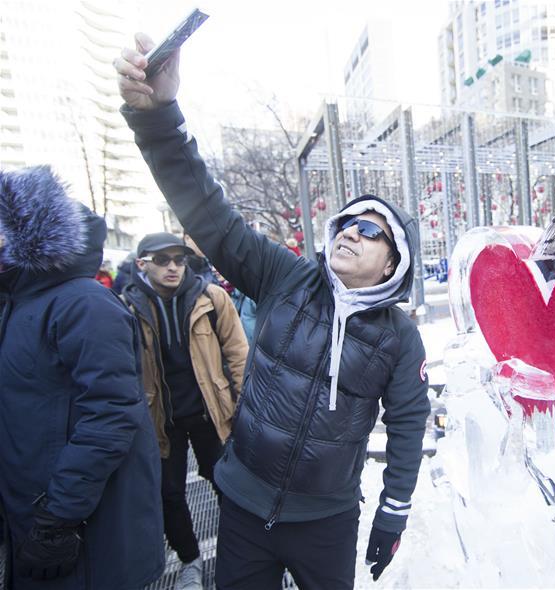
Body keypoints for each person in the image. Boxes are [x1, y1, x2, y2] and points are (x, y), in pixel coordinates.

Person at [115, 34, 431, 589]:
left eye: (371, 232)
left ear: (392, 265)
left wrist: (394, 510)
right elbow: (210, 215)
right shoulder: (286, 277)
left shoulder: (399, 338)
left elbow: (407, 424)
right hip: (242, 502)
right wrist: (159, 116)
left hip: (327, 521)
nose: (352, 232)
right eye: (349, 223)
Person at [0, 165, 165, 589]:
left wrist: (58, 516)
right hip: (32, 516)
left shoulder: (83, 304)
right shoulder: (16, 304)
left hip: (84, 533)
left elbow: (111, 415)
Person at [122, 232, 248, 590]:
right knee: (168, 494)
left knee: (228, 484)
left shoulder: (211, 297)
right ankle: (189, 559)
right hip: (160, 419)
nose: (173, 267)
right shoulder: (127, 307)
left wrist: (244, 407)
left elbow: (239, 355)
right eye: (162, 260)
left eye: (179, 259)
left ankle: (242, 551)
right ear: (142, 264)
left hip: (212, 412)